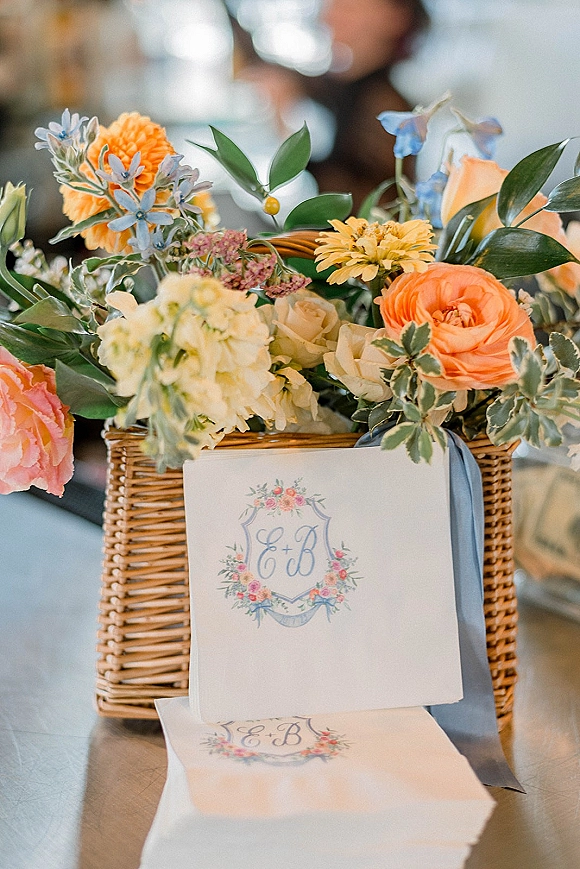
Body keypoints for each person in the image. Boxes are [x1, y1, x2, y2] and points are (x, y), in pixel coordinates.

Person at [231, 0, 430, 209]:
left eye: (347, 8)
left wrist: (289, 134)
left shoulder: (385, 102)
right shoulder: (349, 85)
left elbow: (355, 200)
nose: (328, 17)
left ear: (395, 18)